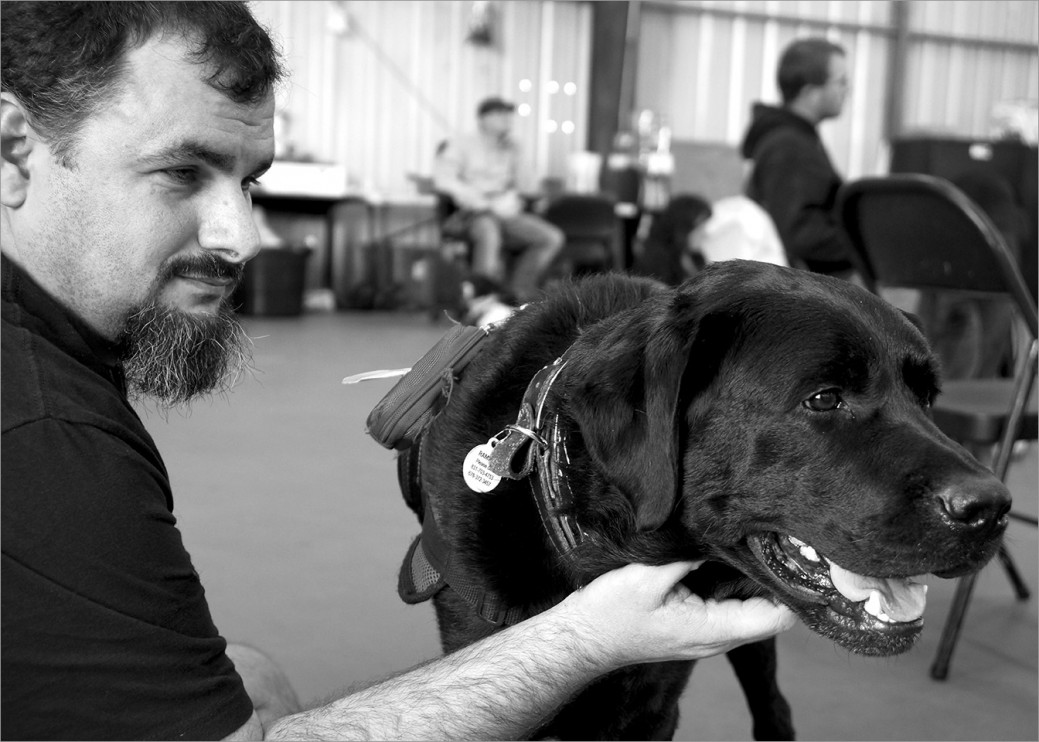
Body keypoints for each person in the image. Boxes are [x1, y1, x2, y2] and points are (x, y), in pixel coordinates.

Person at [0, 3, 795, 740]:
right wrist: (585, 636)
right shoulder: (47, 432)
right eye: (180, 173)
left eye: (248, 182)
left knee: (255, 681)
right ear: (14, 153)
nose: (240, 236)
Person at [740, 37, 856, 277]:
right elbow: (800, 234)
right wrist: (867, 245)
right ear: (809, 92)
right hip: (803, 291)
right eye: (841, 82)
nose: (848, 90)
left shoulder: (798, 139)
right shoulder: (789, 146)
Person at [433, 97, 565, 303]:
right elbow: (444, 180)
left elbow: (527, 187)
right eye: (500, 114)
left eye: (508, 115)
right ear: (484, 118)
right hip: (473, 213)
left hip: (507, 211)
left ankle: (516, 295)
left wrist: (519, 157)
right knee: (489, 232)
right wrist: (478, 199)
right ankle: (481, 298)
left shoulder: (511, 147)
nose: (507, 120)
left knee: (550, 237)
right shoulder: (461, 144)